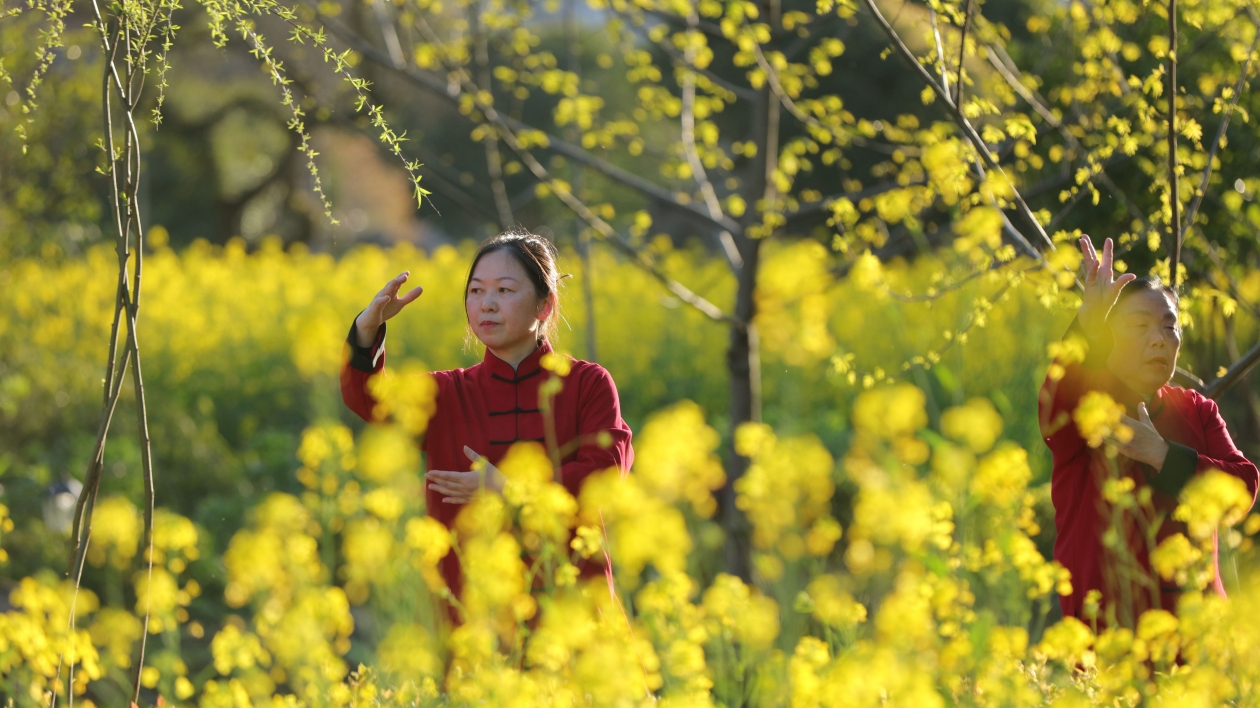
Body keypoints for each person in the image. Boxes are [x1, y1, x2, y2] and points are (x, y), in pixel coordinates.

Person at [340, 229, 634, 613]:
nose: (487, 305)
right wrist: (366, 329)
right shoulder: (447, 394)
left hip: (573, 610)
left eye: (504, 290)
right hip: (475, 618)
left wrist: (510, 489)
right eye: (476, 291)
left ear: (545, 305)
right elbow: (368, 399)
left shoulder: (587, 383)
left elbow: (605, 475)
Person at [1039, 235, 1258, 627]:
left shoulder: (1197, 409)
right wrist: (1089, 321)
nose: (1159, 339)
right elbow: (1053, 412)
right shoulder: (1085, 403)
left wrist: (1161, 454)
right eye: (1139, 325)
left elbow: (1243, 487)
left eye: (1169, 326)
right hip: (1110, 632)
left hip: (1197, 634)